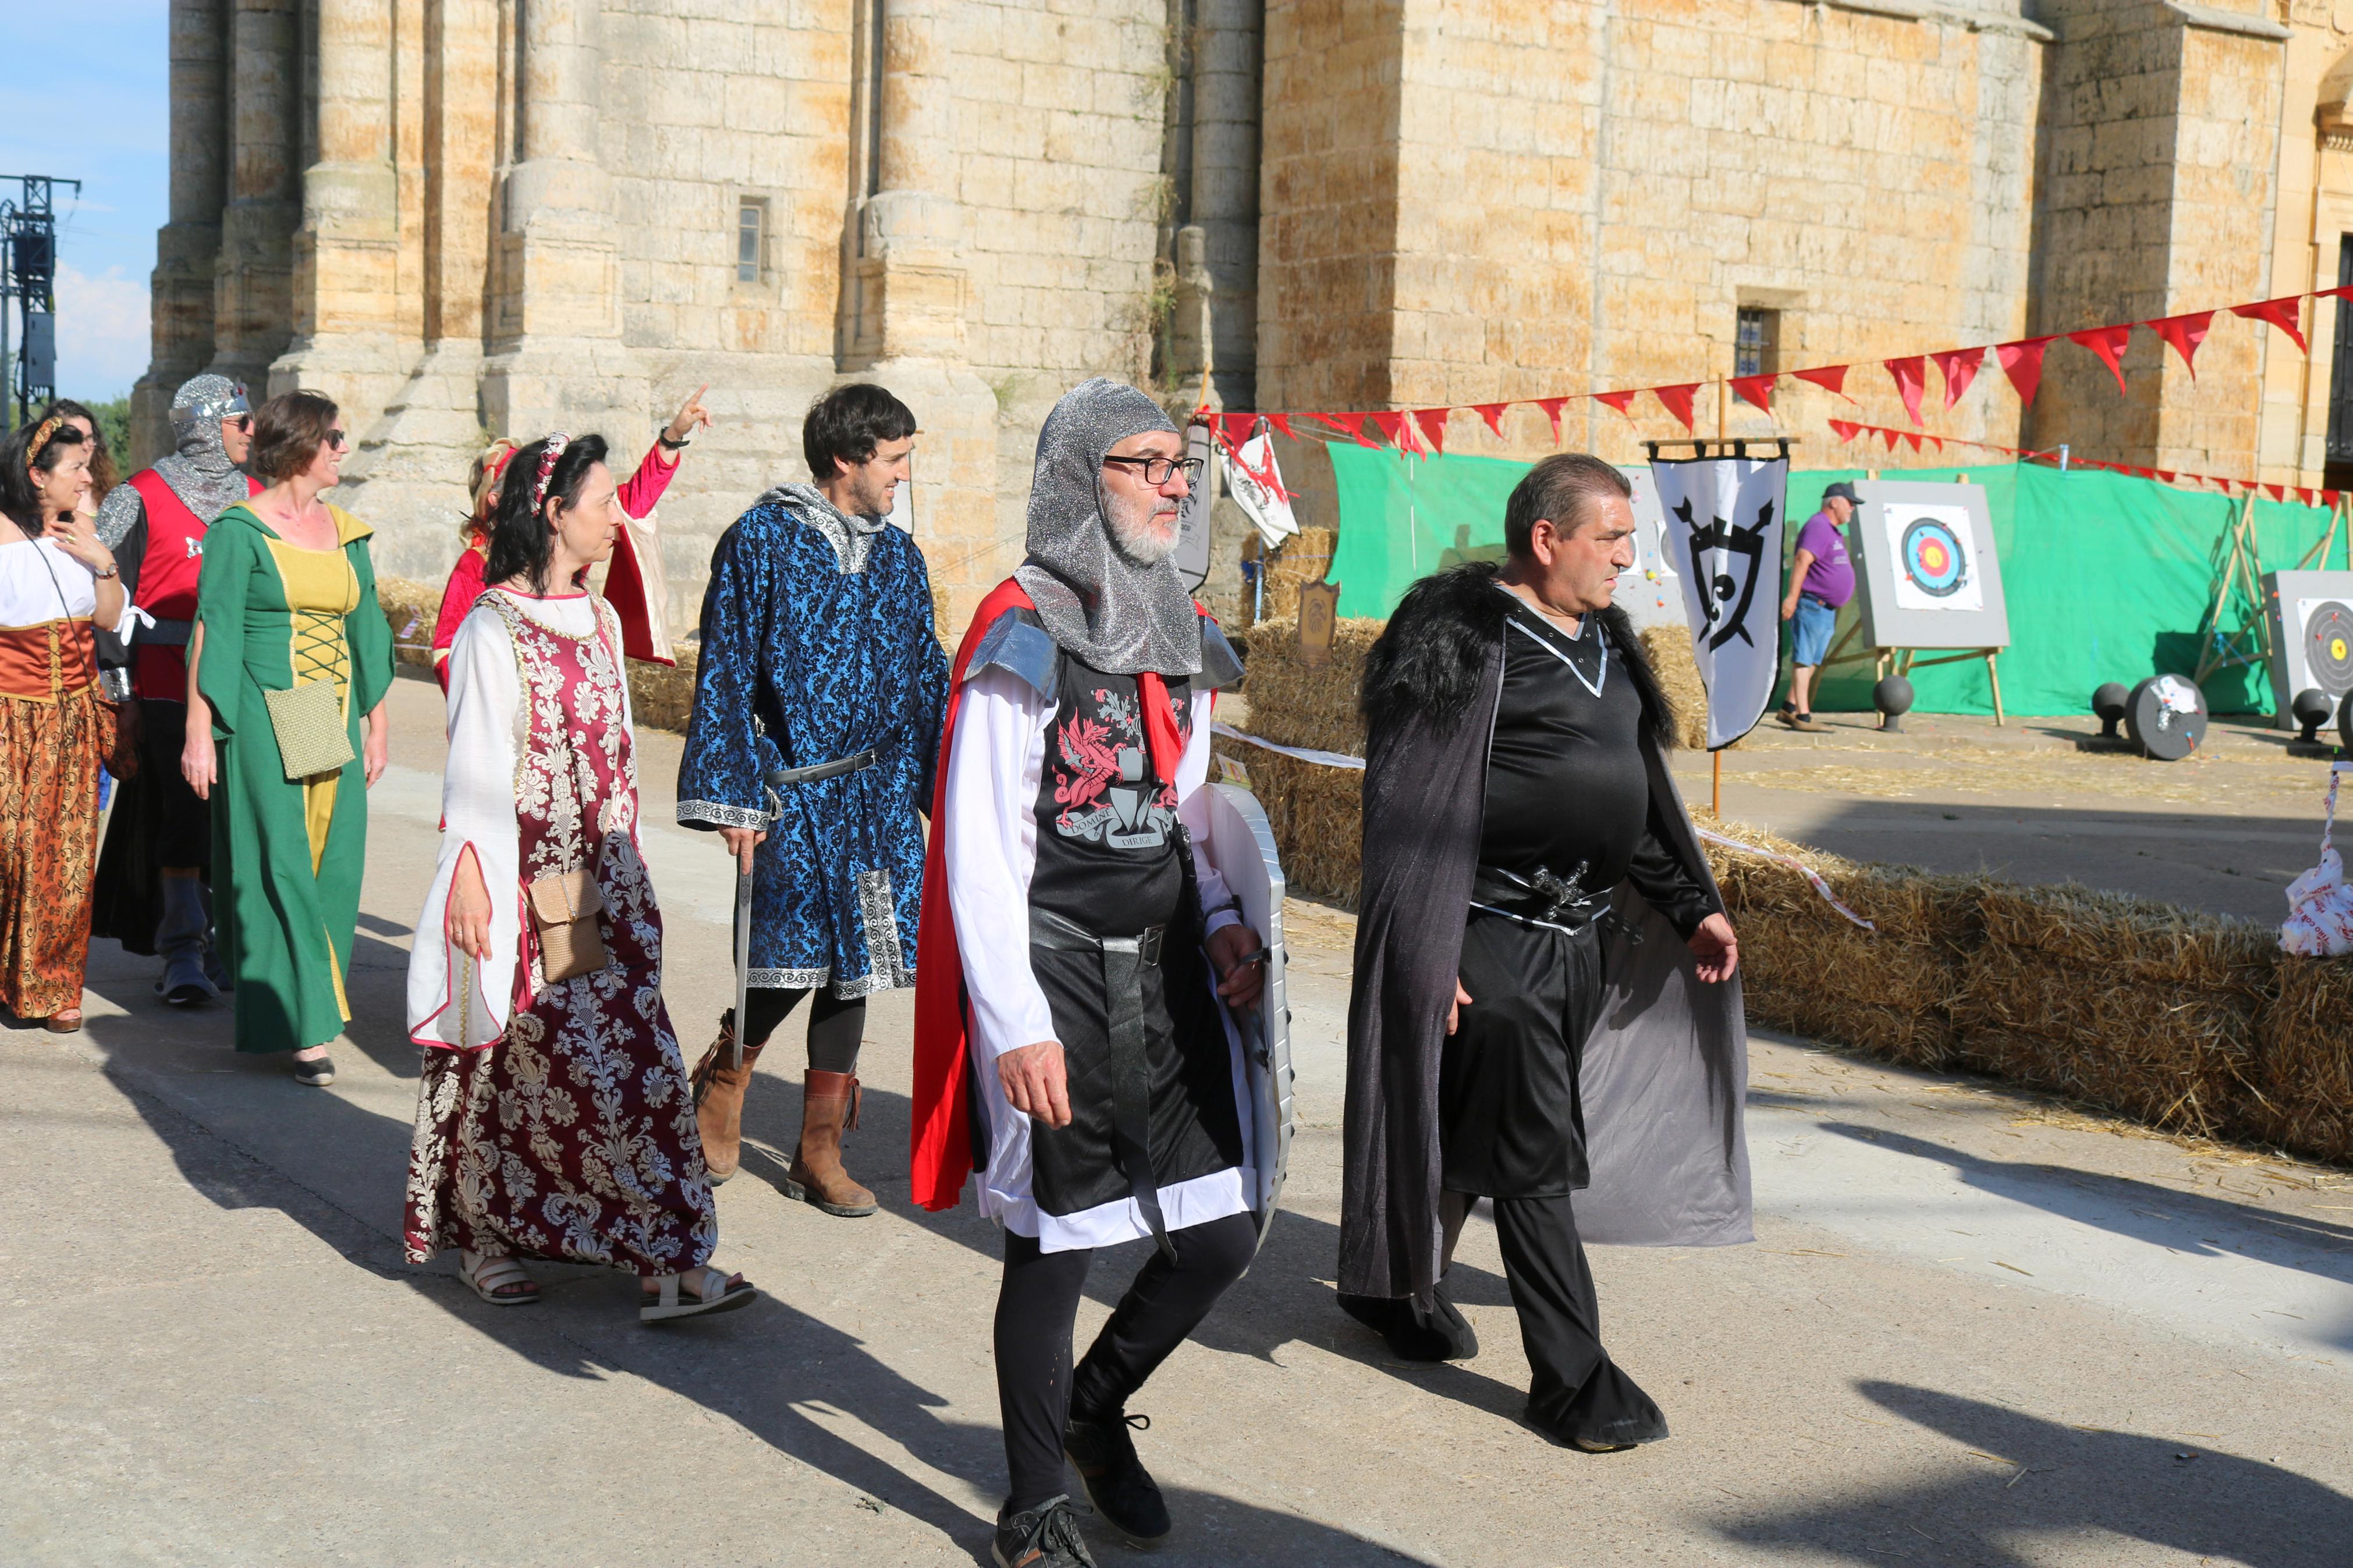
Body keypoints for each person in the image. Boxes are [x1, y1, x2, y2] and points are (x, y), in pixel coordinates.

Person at [909, 378, 1266, 1567]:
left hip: (1165, 971)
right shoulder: (1018, 625)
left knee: (1219, 1233)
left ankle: (1094, 1406)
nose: (1177, 482)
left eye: (1179, 463)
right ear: (1079, 477)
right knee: (1054, 1246)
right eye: (1147, 462)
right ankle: (1031, 1502)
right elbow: (979, 843)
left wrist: (1218, 912)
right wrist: (1012, 1021)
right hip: (1052, 971)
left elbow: (1178, 804)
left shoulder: (1178, 623)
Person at [1338, 453, 1752, 1454]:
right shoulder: (1458, 637)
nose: (1629, 556)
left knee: (1480, 1130)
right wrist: (1428, 954)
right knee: (1530, 1158)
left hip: (1578, 940)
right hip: (1484, 929)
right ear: (1546, 540)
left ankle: (1391, 1287)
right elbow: (1404, 811)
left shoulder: (1607, 638)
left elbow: (1637, 795)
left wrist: (1689, 902)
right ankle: (1573, 1382)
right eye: (1610, 538)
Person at [403, 432, 754, 1321]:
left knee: (632, 1065)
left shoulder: (597, 619)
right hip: (532, 886)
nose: (617, 518)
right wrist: (474, 880)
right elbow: (475, 764)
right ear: (553, 513)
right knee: (509, 1063)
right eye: (604, 502)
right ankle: (488, 1236)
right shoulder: (492, 625)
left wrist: (632, 865)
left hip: (608, 882)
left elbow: (621, 753)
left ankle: (661, 1257)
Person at [675, 383, 948, 1214]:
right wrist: (733, 796)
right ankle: (727, 1077)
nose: (904, 474)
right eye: (893, 458)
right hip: (791, 790)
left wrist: (949, 786)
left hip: (878, 790)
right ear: (846, 457)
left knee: (855, 967)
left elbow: (926, 674)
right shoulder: (760, 538)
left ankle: (817, 1148)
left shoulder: (901, 557)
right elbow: (724, 667)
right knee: (782, 955)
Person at [182, 390, 393, 1085]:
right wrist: (199, 731)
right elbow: (213, 628)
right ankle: (304, 1025)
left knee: (331, 865)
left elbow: (366, 628)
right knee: (284, 863)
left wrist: (378, 722)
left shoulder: (345, 529)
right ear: (300, 445)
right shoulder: (240, 530)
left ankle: (300, 995)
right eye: (333, 436)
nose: (342, 448)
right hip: (272, 705)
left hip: (329, 711)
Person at [91, 374, 260, 1003]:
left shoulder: (259, 496)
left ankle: (227, 945)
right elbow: (107, 605)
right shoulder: (136, 496)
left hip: (245, 682)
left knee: (239, 818)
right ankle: (182, 948)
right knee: (182, 815)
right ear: (206, 424)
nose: (252, 431)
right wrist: (122, 695)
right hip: (163, 681)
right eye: (240, 421)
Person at [429, 385, 713, 689]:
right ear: (498, 501)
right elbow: (448, 652)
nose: (613, 518)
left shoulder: (570, 559)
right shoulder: (476, 564)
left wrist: (670, 441)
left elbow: (628, 504)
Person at [0, 417, 129, 1030]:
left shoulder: (85, 533)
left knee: (65, 854)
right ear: (36, 476)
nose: (87, 476)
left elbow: (108, 620)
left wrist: (103, 561)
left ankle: (56, 987)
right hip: (7, 716)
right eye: (75, 467)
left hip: (72, 716)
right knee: (8, 852)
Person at [1777, 479, 1859, 732]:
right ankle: (1803, 716)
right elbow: (1802, 559)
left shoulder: (1831, 530)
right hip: (1812, 605)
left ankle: (1789, 708)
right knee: (1803, 660)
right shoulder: (1818, 525)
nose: (1853, 509)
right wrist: (1792, 596)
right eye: (1850, 503)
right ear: (1834, 502)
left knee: (1811, 661)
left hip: (1824, 609)